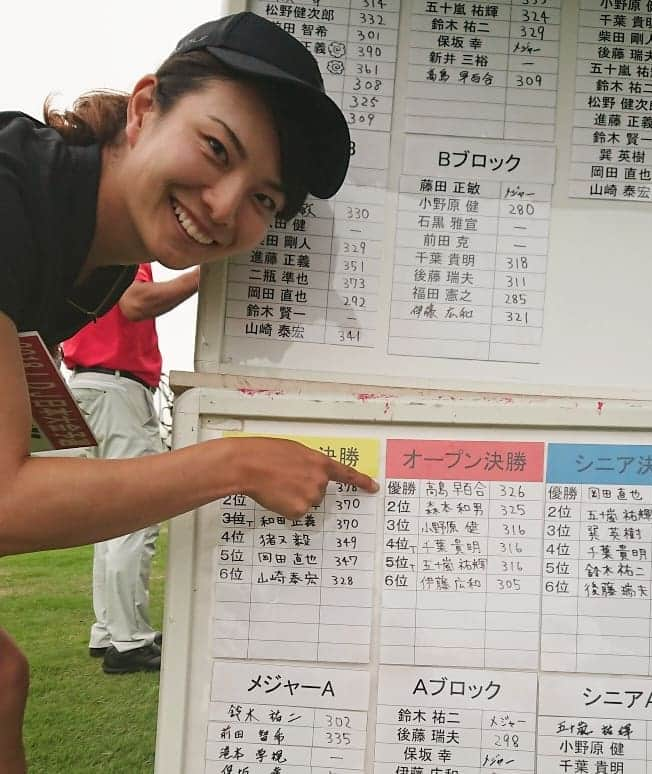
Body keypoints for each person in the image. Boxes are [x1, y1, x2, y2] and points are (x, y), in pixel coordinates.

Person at [0, 12, 378, 772]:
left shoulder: (99, 258)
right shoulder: (15, 196)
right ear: (144, 107)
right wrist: (231, 464)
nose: (223, 205)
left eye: (265, 200)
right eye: (216, 149)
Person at [62, 263, 199, 673]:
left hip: (90, 385)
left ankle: (110, 631)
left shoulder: (89, 254)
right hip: (117, 386)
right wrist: (206, 274)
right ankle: (128, 642)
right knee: (135, 515)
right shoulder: (127, 251)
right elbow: (137, 302)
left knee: (110, 518)